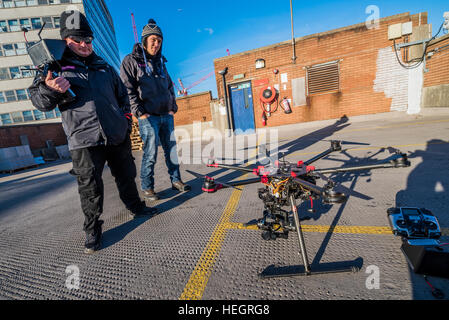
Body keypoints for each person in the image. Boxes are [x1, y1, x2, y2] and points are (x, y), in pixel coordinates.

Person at [29, 10, 157, 254]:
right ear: (66, 40)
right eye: (77, 40)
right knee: (90, 188)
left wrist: (125, 120)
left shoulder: (104, 66)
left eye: (88, 40)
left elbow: (122, 96)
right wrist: (50, 89)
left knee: (126, 174)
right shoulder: (53, 67)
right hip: (84, 139)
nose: (84, 45)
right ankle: (92, 229)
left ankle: (136, 207)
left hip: (116, 135)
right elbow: (39, 101)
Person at [120, 19, 190, 201]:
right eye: (153, 40)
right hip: (148, 117)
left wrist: (172, 108)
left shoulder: (161, 62)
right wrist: (140, 113)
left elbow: (169, 86)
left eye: (159, 41)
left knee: (171, 150)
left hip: (166, 115)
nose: (156, 44)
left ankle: (176, 181)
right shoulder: (131, 61)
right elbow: (128, 89)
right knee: (150, 154)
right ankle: (148, 188)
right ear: (144, 41)